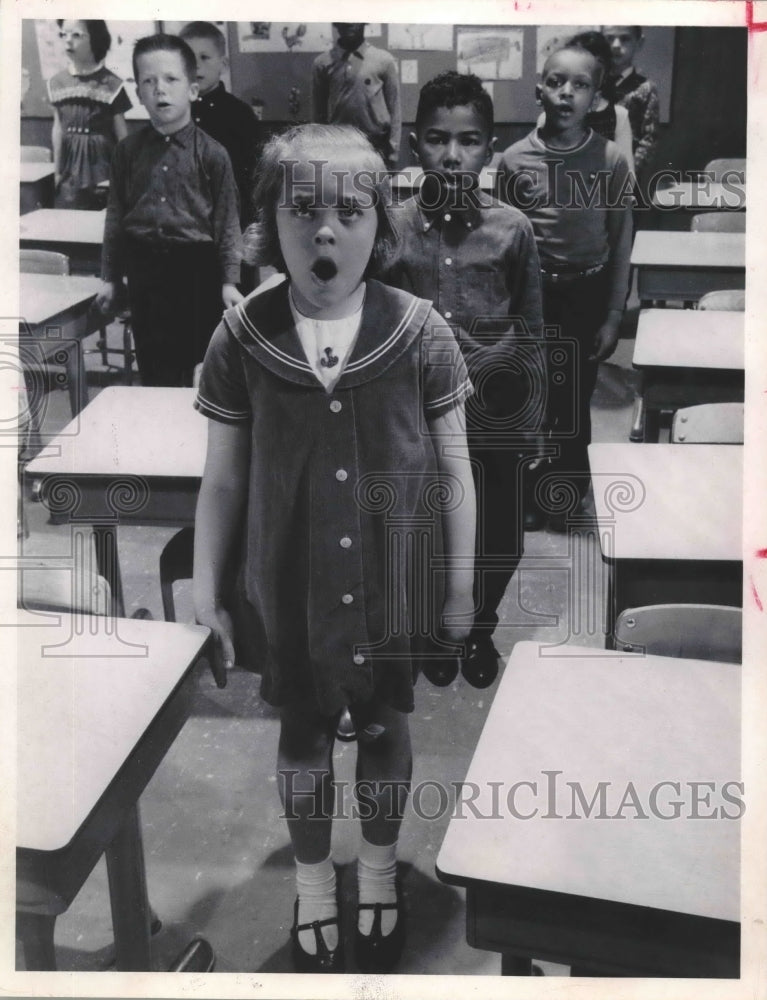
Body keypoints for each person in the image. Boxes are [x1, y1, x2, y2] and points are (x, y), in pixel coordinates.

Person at [192, 124, 475, 974]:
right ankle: (315, 878)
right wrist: (207, 588)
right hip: (287, 581)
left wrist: (460, 587)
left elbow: (457, 464)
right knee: (303, 732)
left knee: (385, 724)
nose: (325, 232)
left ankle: (381, 866)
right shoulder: (239, 337)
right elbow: (223, 483)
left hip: (395, 577)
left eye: (350, 212)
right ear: (267, 224)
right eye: (302, 209)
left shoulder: (420, 331)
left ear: (380, 228)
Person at [380, 71, 544, 689]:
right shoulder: (389, 230)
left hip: (496, 407)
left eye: (468, 140)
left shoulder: (513, 230)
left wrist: (530, 426)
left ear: (490, 147)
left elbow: (530, 333)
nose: (452, 154)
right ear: (413, 145)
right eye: (436, 139)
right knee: (424, 527)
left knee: (500, 532)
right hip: (415, 414)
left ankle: (479, 627)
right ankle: (435, 628)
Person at [498, 40, 632, 531]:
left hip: (586, 295)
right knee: (528, 395)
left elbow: (620, 242)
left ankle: (567, 490)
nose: (566, 93)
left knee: (573, 400)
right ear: (539, 90)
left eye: (580, 85)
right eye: (556, 82)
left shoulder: (611, 160)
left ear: (597, 99)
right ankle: (529, 490)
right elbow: (503, 242)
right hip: (532, 297)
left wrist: (614, 316)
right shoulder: (514, 161)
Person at [97, 34, 243, 388]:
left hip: (197, 274)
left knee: (200, 367)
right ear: (139, 93)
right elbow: (115, 216)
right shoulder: (127, 152)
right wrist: (110, 278)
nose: (159, 89)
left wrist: (229, 280)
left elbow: (226, 221)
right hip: (146, 274)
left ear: (193, 90)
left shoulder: (212, 154)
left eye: (170, 79)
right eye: (148, 81)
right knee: (154, 365)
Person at [178, 21, 262, 226]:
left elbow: (253, 177)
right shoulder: (174, 111)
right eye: (188, 58)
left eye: (204, 58)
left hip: (229, 220)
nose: (196, 65)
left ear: (223, 65)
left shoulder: (240, 114)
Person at [48, 20, 130, 209]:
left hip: (102, 162)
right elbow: (58, 128)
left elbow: (122, 134)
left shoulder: (112, 83)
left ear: (96, 40)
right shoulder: (57, 82)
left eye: (76, 35)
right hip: (69, 166)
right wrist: (57, 171)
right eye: (63, 34)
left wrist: (125, 172)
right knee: (69, 213)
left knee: (102, 212)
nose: (68, 41)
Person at [536, 31, 634, 174]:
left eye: (597, 64)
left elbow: (627, 173)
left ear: (607, 69)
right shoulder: (550, 117)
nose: (589, 71)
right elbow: (540, 164)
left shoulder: (619, 116)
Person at [311, 23, 401, 170]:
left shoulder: (384, 60)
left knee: (373, 190)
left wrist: (393, 152)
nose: (349, 22)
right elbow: (318, 113)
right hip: (338, 148)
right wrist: (318, 150)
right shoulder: (322, 63)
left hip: (376, 146)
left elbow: (395, 109)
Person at [601, 25, 659, 184]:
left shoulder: (645, 88)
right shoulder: (593, 84)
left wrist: (627, 173)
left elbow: (649, 139)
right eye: (609, 39)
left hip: (626, 174)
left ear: (639, 43)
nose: (616, 45)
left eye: (624, 39)